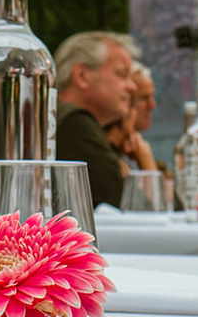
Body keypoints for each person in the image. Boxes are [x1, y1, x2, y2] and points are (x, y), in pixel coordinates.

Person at [53, 31, 140, 214]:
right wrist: (143, 154)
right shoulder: (73, 123)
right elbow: (131, 202)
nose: (132, 87)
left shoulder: (59, 117)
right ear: (82, 76)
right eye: (122, 74)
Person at [106, 63, 159, 172]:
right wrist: (145, 156)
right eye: (144, 98)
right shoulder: (107, 150)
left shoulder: (133, 146)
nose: (152, 105)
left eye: (152, 96)